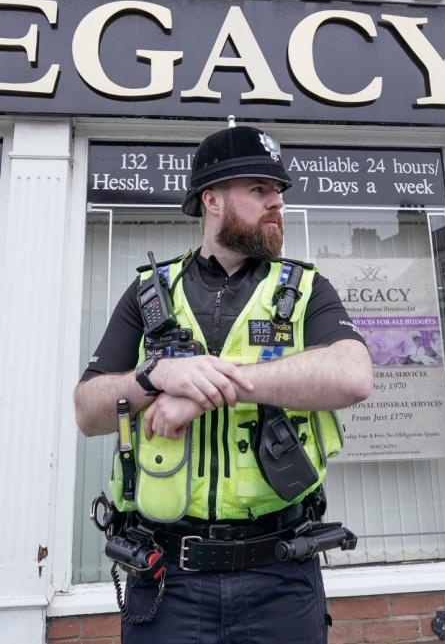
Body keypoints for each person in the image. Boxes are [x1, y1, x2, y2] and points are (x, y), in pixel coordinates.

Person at [74, 124, 372, 644]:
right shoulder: (149, 292)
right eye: (259, 189)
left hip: (280, 570)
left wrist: (208, 388)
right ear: (211, 200)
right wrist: (155, 375)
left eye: (277, 191)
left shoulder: (304, 289)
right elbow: (88, 412)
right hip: (166, 574)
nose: (276, 202)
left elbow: (352, 375)